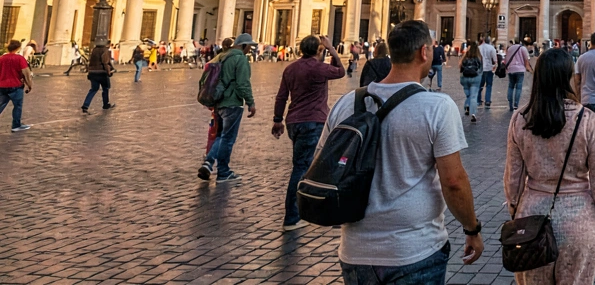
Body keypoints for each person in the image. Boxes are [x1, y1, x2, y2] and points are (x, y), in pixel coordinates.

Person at [319, 19, 484, 281]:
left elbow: (323, 165)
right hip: (414, 249)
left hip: (355, 249)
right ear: (424, 52)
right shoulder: (436, 106)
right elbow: (453, 182)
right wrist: (472, 228)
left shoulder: (347, 103)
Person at [506, 48, 595, 283]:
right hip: (578, 222)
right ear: (569, 78)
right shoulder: (589, 121)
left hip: (532, 219)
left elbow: (513, 181)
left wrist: (518, 214)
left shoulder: (520, 119)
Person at [272, 34, 345, 231]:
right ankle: (292, 217)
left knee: (306, 164)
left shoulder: (290, 68)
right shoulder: (318, 68)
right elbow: (340, 71)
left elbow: (281, 97)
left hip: (294, 122)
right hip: (313, 121)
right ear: (319, 50)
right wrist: (332, 48)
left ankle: (320, 210)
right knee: (306, 167)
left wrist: (277, 119)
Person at [198, 33, 257, 182]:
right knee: (228, 138)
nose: (250, 49)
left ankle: (208, 162)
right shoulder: (240, 59)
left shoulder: (221, 56)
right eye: (249, 46)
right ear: (243, 45)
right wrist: (250, 102)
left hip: (218, 102)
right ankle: (223, 172)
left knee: (220, 136)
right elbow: (243, 83)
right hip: (232, 103)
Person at [1, 39, 34, 132]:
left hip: (2, 86)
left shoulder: (1, 58)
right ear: (18, 48)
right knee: (17, 106)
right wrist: (29, 84)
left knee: (1, 105)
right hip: (16, 86)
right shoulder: (20, 59)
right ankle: (16, 125)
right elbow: (26, 72)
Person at [81, 40, 116, 114]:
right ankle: (106, 104)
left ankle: (85, 105)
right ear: (107, 44)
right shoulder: (105, 50)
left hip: (93, 72)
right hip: (102, 73)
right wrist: (109, 72)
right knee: (106, 88)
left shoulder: (94, 50)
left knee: (93, 89)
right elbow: (105, 62)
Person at [502, 38, 532, 111]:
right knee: (518, 87)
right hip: (520, 69)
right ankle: (516, 104)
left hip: (511, 69)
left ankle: (510, 104)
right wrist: (529, 68)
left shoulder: (509, 49)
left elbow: (506, 59)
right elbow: (526, 59)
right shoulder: (523, 48)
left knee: (511, 86)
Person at [459, 41, 484, 123]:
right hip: (475, 77)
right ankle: (473, 113)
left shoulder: (465, 57)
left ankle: (467, 106)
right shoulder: (478, 57)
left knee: (468, 95)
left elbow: (460, 67)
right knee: (473, 96)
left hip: (465, 78)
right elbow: (481, 68)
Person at [478, 37, 498, 109]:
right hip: (489, 68)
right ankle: (487, 100)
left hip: (480, 68)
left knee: (480, 85)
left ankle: (478, 100)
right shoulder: (491, 48)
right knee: (489, 85)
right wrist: (495, 66)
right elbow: (495, 59)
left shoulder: (479, 48)